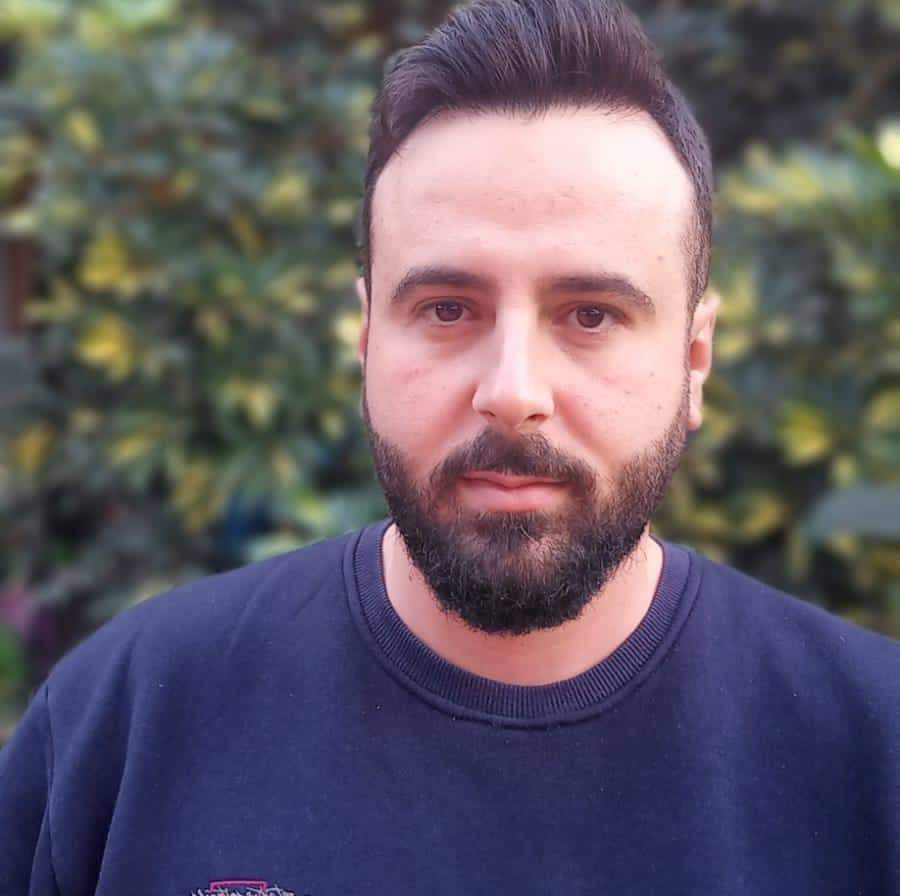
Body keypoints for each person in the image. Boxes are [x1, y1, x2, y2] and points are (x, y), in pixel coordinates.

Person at [1, 1, 897, 893]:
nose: (512, 391)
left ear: (694, 359)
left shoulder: (873, 754)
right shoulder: (123, 725)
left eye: (591, 315)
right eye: (446, 309)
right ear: (366, 341)